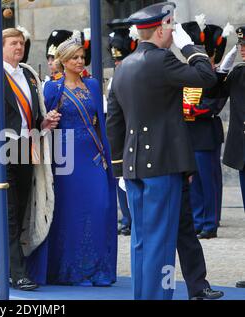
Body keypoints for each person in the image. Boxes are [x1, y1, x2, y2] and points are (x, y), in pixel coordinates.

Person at [106, 2, 217, 300]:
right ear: (160, 29)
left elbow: (113, 122)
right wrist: (191, 47)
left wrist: (119, 166)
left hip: (133, 165)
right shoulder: (162, 61)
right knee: (161, 242)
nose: (172, 31)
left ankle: (144, 295)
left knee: (142, 240)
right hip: (163, 164)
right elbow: (207, 77)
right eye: (171, 26)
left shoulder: (124, 66)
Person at [28, 34, 118, 286]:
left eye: (81, 57)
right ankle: (69, 269)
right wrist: (49, 120)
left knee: (100, 206)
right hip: (65, 156)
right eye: (75, 58)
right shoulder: (52, 88)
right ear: (63, 61)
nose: (80, 61)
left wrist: (107, 155)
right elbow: (40, 124)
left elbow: (100, 122)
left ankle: (96, 268)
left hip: (92, 154)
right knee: (71, 211)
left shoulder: (93, 85)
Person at [0, 27, 58, 291]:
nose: (18, 47)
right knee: (7, 213)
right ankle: (16, 272)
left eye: (21, 43)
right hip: (1, 148)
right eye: (13, 43)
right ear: (0, 47)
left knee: (20, 208)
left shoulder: (28, 75)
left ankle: (4, 262)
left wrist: (43, 122)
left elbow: (29, 116)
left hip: (26, 146)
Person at [181, 17, 234, 239]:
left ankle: (210, 223)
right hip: (189, 134)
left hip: (206, 134)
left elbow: (214, 105)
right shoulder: (186, 72)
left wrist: (194, 111)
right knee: (193, 182)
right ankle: (197, 220)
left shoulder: (215, 76)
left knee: (207, 181)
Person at [214, 26, 245, 288]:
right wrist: (221, 71)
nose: (243, 49)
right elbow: (212, 98)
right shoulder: (237, 73)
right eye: (241, 45)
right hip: (243, 154)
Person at [106, 18, 138, 236]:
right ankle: (126, 217)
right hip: (118, 133)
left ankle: (132, 217)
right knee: (120, 179)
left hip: (132, 132)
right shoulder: (116, 76)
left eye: (120, 58)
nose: (117, 62)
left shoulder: (133, 72)